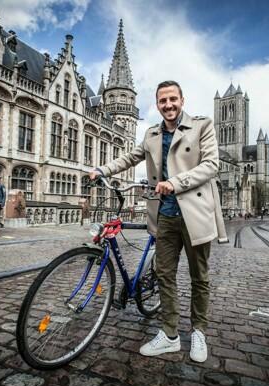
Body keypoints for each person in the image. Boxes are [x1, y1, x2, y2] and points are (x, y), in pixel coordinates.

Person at [89, 80, 222, 363]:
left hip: (195, 213)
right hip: (165, 215)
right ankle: (170, 335)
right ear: (158, 104)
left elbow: (211, 165)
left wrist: (175, 182)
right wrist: (102, 168)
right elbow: (130, 157)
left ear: (182, 100)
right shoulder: (151, 134)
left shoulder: (202, 126)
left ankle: (198, 331)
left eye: (173, 99)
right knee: (165, 275)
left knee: (199, 277)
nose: (168, 105)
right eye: (163, 101)